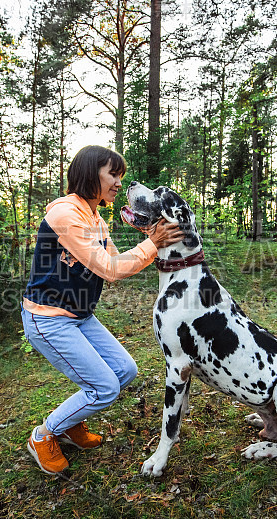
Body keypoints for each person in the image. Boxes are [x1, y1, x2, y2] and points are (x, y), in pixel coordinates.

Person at [21, 145, 183, 475]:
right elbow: (110, 268)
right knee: (104, 388)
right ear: (90, 173)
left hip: (79, 315)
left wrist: (151, 241)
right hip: (48, 318)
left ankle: (70, 424)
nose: (119, 183)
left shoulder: (95, 218)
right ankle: (44, 435)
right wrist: (153, 244)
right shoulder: (65, 214)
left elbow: (114, 267)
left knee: (125, 371)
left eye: (120, 176)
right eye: (113, 174)